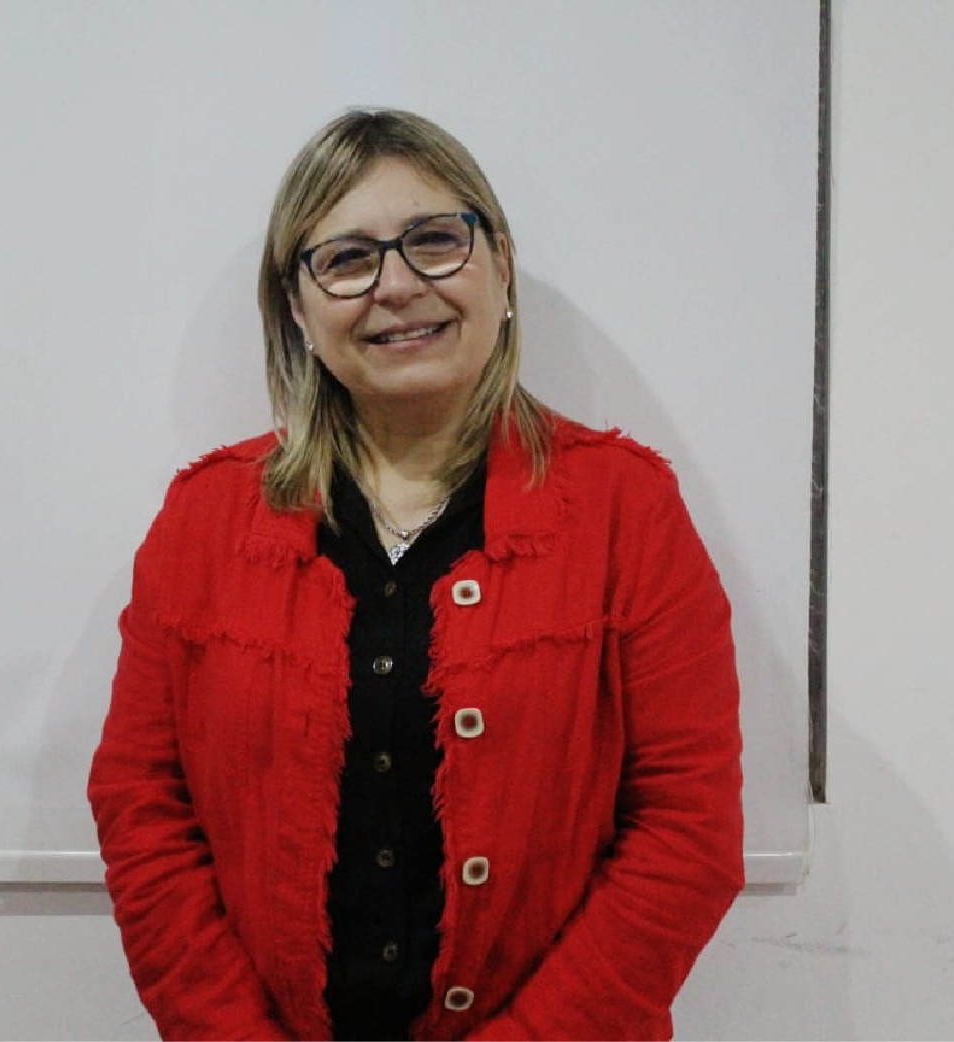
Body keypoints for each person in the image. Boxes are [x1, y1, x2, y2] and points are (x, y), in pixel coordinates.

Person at [89, 108, 744, 1042]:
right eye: (347, 259)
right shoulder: (205, 521)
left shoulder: (626, 510)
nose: (396, 286)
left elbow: (688, 831)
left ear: (500, 266)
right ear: (297, 309)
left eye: (436, 240)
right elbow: (141, 807)